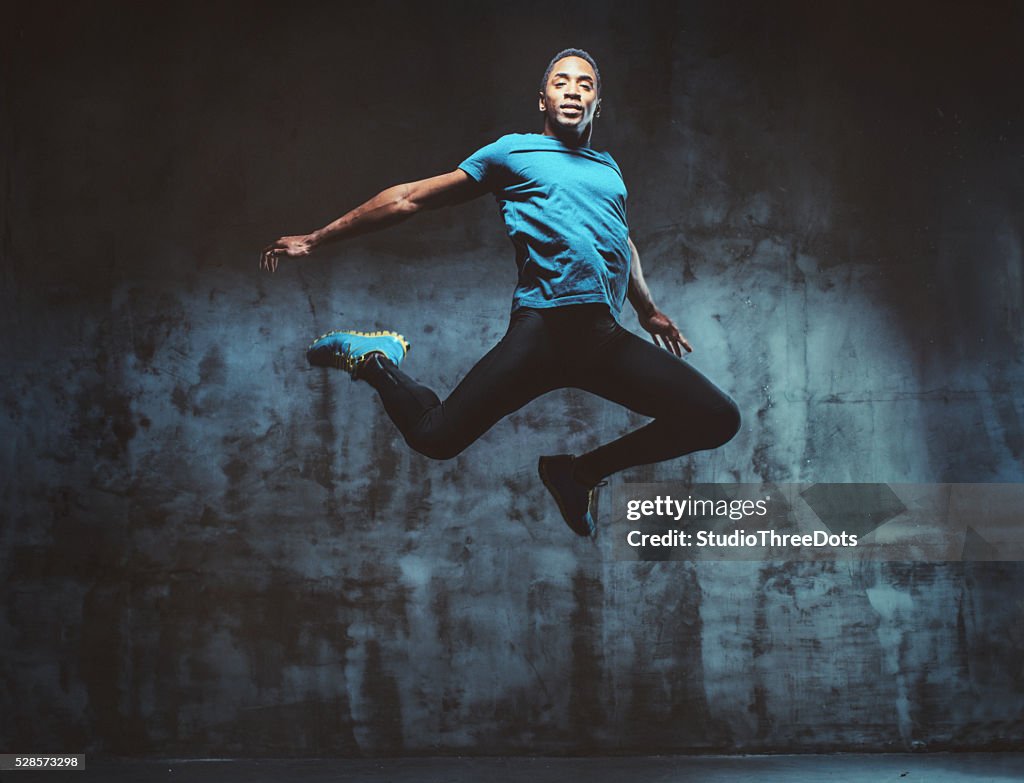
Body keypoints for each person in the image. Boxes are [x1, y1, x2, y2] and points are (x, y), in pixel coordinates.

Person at [260, 48, 740, 537]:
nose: (573, 90)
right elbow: (409, 198)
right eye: (560, 82)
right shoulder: (512, 152)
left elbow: (622, 237)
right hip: (542, 332)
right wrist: (316, 238)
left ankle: (578, 473)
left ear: (599, 103)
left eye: (585, 84)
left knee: (717, 418)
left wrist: (648, 309)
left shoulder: (608, 168)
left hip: (601, 338)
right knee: (435, 437)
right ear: (542, 99)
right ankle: (375, 360)